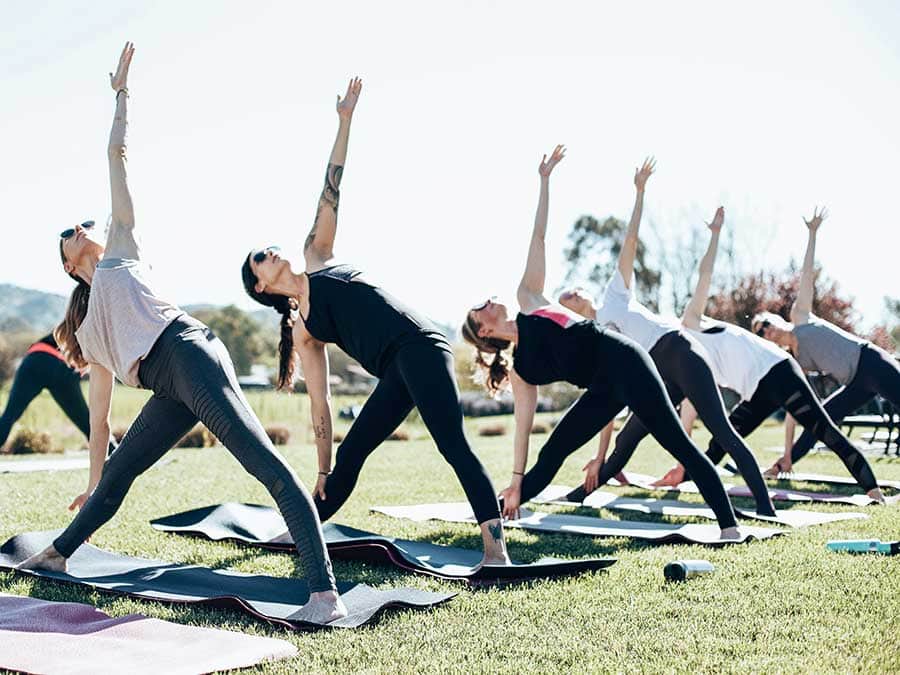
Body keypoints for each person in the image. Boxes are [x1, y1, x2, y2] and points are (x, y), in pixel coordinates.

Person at [18, 44, 346, 623]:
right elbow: (99, 420)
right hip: (167, 386)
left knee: (263, 463)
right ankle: (58, 555)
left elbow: (116, 154)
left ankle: (324, 592)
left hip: (190, 355)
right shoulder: (90, 332)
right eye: (69, 233)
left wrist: (121, 95)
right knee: (120, 475)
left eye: (78, 226)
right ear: (70, 266)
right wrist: (94, 482)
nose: (80, 228)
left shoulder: (121, 251)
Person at [241, 78, 510, 566]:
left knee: (452, 445)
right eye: (261, 256)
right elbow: (320, 405)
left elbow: (331, 189)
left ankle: (496, 551)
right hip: (395, 370)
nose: (271, 251)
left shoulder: (317, 255)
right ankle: (299, 534)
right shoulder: (304, 329)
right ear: (260, 287)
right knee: (351, 453)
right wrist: (322, 470)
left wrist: (344, 122)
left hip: (422, 345)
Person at [461, 146, 739, 535]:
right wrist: (516, 477)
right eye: (480, 307)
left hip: (628, 362)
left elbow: (539, 236)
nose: (489, 301)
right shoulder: (521, 371)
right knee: (553, 450)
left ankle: (729, 527)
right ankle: (498, 513)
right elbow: (522, 428)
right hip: (603, 388)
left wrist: (544, 181)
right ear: (484, 332)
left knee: (679, 445)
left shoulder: (529, 299)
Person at [557, 160, 776, 516]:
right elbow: (606, 408)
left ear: (584, 295)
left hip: (679, 353)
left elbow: (629, 241)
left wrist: (639, 192)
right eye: (564, 300)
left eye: (573, 293)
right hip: (655, 375)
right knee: (628, 438)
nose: (570, 297)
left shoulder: (615, 295)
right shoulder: (593, 342)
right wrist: (598, 458)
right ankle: (578, 497)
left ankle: (767, 508)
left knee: (722, 430)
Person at [651, 207, 883, 502]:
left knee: (822, 430)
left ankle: (873, 491)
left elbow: (704, 275)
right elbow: (689, 410)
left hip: (779, 372)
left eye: (764, 327)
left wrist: (715, 234)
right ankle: (684, 479)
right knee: (722, 439)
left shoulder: (692, 323)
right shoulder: (684, 362)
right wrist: (682, 465)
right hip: (756, 392)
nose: (762, 332)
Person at [750, 207, 900, 479]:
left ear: (776, 319)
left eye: (766, 324)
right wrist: (787, 451)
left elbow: (806, 276)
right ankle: (782, 465)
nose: (766, 331)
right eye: (760, 332)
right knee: (819, 422)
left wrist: (812, 233)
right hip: (855, 384)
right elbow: (795, 411)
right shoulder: (794, 362)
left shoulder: (800, 317)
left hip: (871, 362)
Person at [0, 329, 115, 454]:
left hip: (34, 360)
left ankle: (114, 451)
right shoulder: (96, 327)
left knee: (9, 415)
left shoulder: (71, 322)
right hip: (61, 365)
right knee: (87, 423)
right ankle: (115, 452)